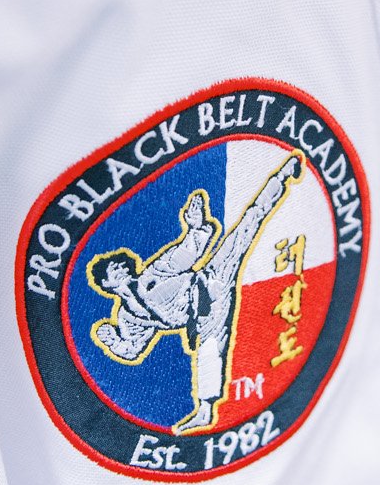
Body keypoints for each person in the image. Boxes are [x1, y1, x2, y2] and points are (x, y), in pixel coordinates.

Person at [88, 154, 303, 431]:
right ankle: (204, 412)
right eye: (113, 270)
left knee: (246, 226)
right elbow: (132, 348)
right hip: (201, 318)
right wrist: (111, 339)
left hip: (211, 280)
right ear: (107, 285)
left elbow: (185, 254)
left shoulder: (152, 274)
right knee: (209, 352)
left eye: (119, 265)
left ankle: (281, 177)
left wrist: (195, 227)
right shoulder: (129, 317)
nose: (119, 269)